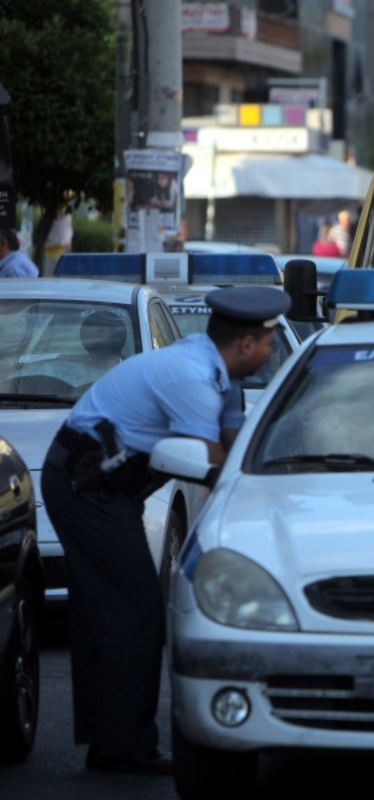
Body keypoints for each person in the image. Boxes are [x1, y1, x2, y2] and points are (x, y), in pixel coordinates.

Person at [40, 286, 290, 775]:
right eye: (268, 342)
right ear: (245, 343)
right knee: (134, 611)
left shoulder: (222, 378)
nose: (270, 350)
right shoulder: (190, 376)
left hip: (109, 486)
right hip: (86, 485)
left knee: (108, 613)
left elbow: (235, 448)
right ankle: (123, 748)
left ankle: (108, 742)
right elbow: (212, 461)